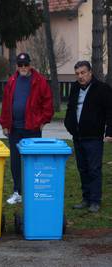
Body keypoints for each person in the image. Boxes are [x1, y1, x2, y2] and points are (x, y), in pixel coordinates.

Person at [0, 52, 54, 205]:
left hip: (32, 129)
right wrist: (4, 124)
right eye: (20, 65)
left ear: (30, 65)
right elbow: (5, 104)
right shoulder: (11, 81)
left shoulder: (39, 81)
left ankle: (33, 191)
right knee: (15, 162)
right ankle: (17, 192)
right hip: (14, 129)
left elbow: (48, 103)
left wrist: (43, 121)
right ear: (17, 66)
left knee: (33, 162)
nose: (23, 67)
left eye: (25, 64)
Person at [64, 60, 112, 213]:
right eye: (77, 74)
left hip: (94, 137)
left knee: (94, 169)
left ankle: (95, 201)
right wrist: (69, 125)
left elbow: (110, 112)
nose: (80, 76)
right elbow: (71, 108)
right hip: (78, 136)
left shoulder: (102, 89)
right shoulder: (75, 88)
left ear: (90, 72)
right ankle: (86, 198)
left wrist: (109, 132)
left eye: (83, 73)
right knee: (82, 169)